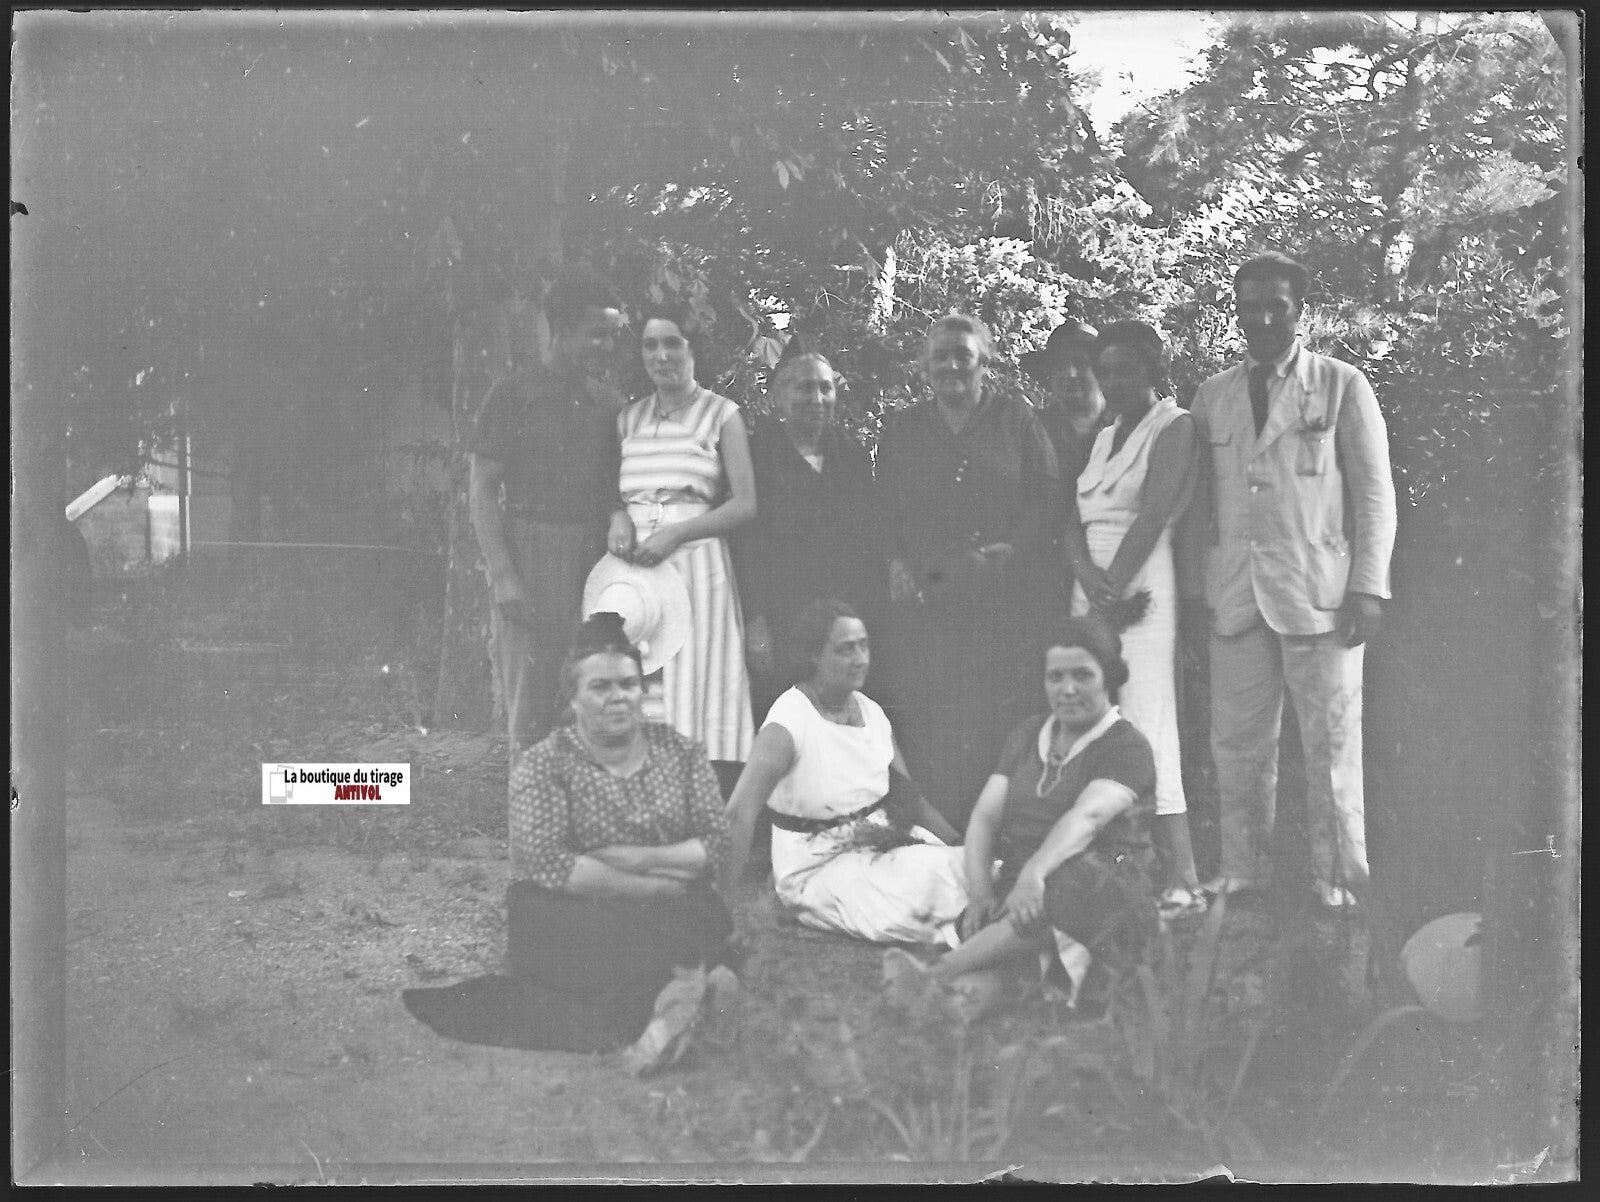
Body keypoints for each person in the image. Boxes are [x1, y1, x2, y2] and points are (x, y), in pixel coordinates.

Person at [402, 614, 738, 1074]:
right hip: (573, 909)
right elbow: (551, 867)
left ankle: (671, 999)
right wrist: (658, 881)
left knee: (706, 914)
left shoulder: (681, 753)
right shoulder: (544, 764)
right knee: (579, 934)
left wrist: (629, 857)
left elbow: (715, 844)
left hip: (659, 904)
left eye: (629, 684)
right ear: (574, 697)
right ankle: (678, 997)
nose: (618, 698)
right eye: (601, 687)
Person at [1178, 251, 1397, 909]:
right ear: (1238, 312)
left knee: (1331, 749)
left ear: (1300, 310)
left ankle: (1338, 882)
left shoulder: (1340, 385)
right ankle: (1245, 870)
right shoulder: (1212, 396)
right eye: (1251, 307)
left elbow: (1374, 493)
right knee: (1237, 747)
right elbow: (1198, 506)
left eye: (1277, 305)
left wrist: (1368, 586)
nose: (1263, 318)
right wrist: (1195, 594)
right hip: (1235, 597)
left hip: (1319, 596)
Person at [882, 616, 1159, 1017]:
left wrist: (1034, 874)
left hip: (1099, 888)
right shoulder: (1029, 734)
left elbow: (1089, 816)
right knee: (1009, 927)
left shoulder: (1126, 746)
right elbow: (985, 818)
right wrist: (980, 892)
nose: (1067, 689)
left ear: (1109, 677)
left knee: (1066, 892)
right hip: (1028, 896)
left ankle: (939, 973)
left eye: (1083, 675)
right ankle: (951, 1004)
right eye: (1055, 677)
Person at [875, 312, 1062, 827]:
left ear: (986, 362)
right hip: (927, 596)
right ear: (925, 367)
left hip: (996, 593)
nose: (953, 365)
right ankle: (939, 832)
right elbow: (881, 509)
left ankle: (997, 828)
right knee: (931, 707)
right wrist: (896, 562)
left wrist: (1011, 553)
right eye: (942, 356)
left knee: (992, 712)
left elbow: (1046, 500)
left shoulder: (1015, 420)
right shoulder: (904, 429)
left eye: (965, 354)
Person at [1066, 321, 1207, 921]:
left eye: (1126, 368)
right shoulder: (1102, 436)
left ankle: (1185, 880)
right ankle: (1116, 866)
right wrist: (1090, 593)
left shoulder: (1173, 426)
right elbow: (1071, 519)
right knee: (1092, 721)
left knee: (1149, 722)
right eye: (1105, 370)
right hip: (1092, 591)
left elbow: (1152, 518)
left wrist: (1110, 597)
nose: (1113, 380)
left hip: (1141, 592)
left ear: (1153, 368)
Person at [722, 599, 967, 944]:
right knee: (921, 887)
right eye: (845, 650)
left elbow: (908, 797)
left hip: (884, 842)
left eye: (864, 646)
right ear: (813, 657)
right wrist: (717, 911)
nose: (861, 659)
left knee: (966, 869)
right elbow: (738, 814)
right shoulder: (788, 723)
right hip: (817, 868)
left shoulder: (873, 714)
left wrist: (959, 844)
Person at [468, 268, 627, 757]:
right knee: (532, 702)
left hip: (595, 560)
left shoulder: (610, 404)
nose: (607, 346)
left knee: (592, 696)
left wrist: (618, 516)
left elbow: (617, 490)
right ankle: (530, 829)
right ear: (561, 330)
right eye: (596, 334)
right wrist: (503, 574)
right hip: (531, 554)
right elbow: (481, 490)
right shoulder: (512, 395)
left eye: (613, 335)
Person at [607, 303, 757, 794]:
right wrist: (617, 518)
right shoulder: (628, 419)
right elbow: (612, 492)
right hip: (635, 572)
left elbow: (745, 504)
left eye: (673, 343)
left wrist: (675, 534)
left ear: (694, 350)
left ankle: (696, 820)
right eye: (651, 345)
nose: (661, 354)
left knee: (698, 687)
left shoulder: (721, 414)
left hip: (697, 567)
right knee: (646, 681)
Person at [729, 334, 887, 720]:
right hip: (780, 616)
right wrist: (755, 621)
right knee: (784, 713)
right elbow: (746, 543)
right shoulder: (758, 453)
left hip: (837, 613)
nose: (816, 399)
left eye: (825, 388)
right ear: (779, 398)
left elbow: (866, 539)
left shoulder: (848, 452)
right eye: (804, 388)